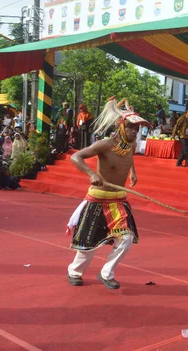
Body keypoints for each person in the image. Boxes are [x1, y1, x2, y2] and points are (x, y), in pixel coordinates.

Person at [66, 97, 150, 290]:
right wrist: (91, 173)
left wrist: (133, 172)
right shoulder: (105, 144)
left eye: (137, 129)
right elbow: (75, 157)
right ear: (121, 126)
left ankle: (106, 273)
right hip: (98, 199)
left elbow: (129, 159)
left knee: (126, 239)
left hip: (119, 200)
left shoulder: (131, 145)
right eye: (132, 128)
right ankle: (74, 271)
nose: (135, 132)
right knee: (89, 244)